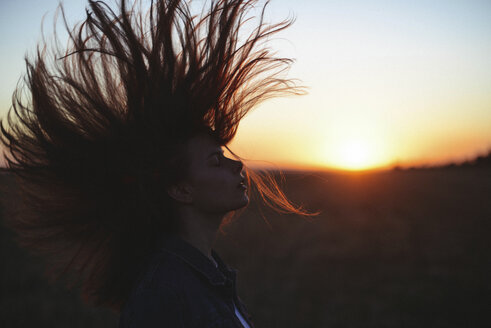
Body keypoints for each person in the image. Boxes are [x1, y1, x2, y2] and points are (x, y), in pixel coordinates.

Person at [0, 0, 316, 326]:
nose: (236, 166)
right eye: (215, 161)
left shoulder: (206, 275)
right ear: (180, 188)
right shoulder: (163, 293)